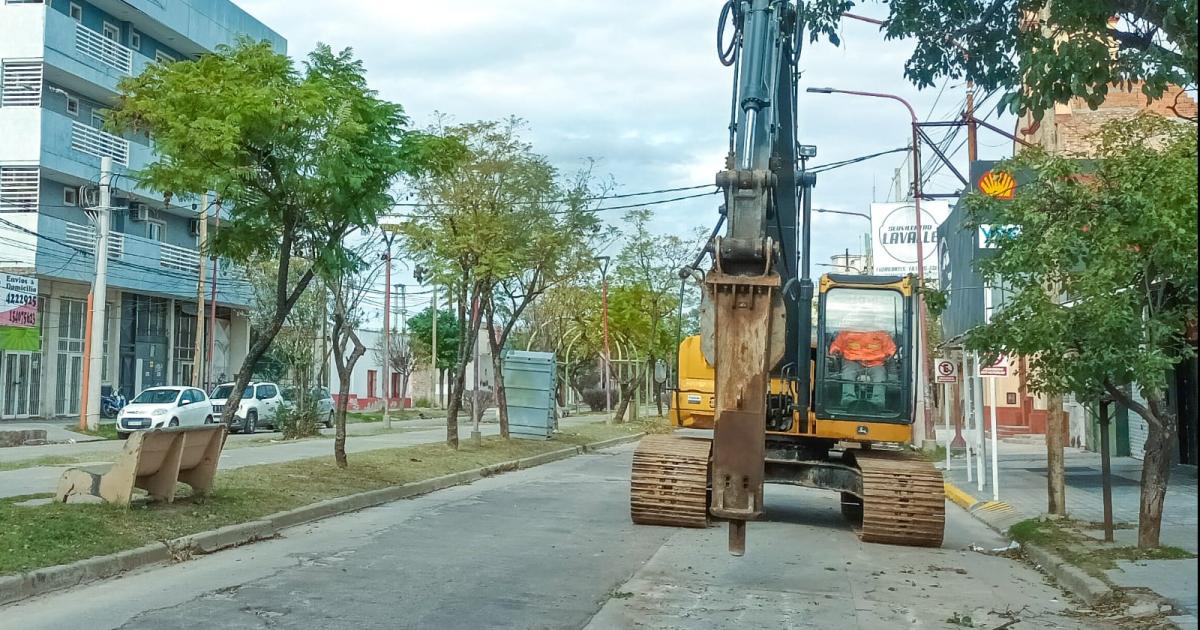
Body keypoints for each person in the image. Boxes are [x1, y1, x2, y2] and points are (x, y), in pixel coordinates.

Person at [827, 329, 897, 407]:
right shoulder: (846, 332)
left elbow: (891, 349)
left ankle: (878, 400)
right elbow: (837, 345)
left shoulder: (882, 334)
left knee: (880, 375)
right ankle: (848, 398)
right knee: (848, 372)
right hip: (853, 361)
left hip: (875, 363)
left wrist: (890, 355)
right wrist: (835, 351)